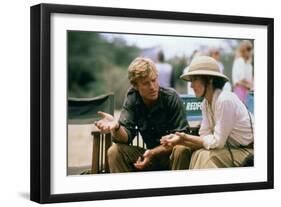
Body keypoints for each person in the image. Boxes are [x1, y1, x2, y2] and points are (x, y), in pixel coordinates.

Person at [95, 57, 191, 173]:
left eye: (154, 80)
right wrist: (117, 127)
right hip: (149, 156)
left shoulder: (171, 98)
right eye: (146, 83)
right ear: (135, 86)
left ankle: (176, 189)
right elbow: (125, 137)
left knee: (181, 149)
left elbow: (183, 139)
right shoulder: (133, 97)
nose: (152, 87)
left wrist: (153, 152)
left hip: (171, 157)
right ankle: (126, 190)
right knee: (114, 151)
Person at [161, 56, 254, 169]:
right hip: (232, 148)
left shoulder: (225, 100)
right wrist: (179, 139)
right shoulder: (206, 103)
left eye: (194, 79)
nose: (191, 85)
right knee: (195, 153)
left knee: (206, 157)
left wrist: (184, 138)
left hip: (250, 152)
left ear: (209, 79)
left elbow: (216, 142)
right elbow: (205, 136)